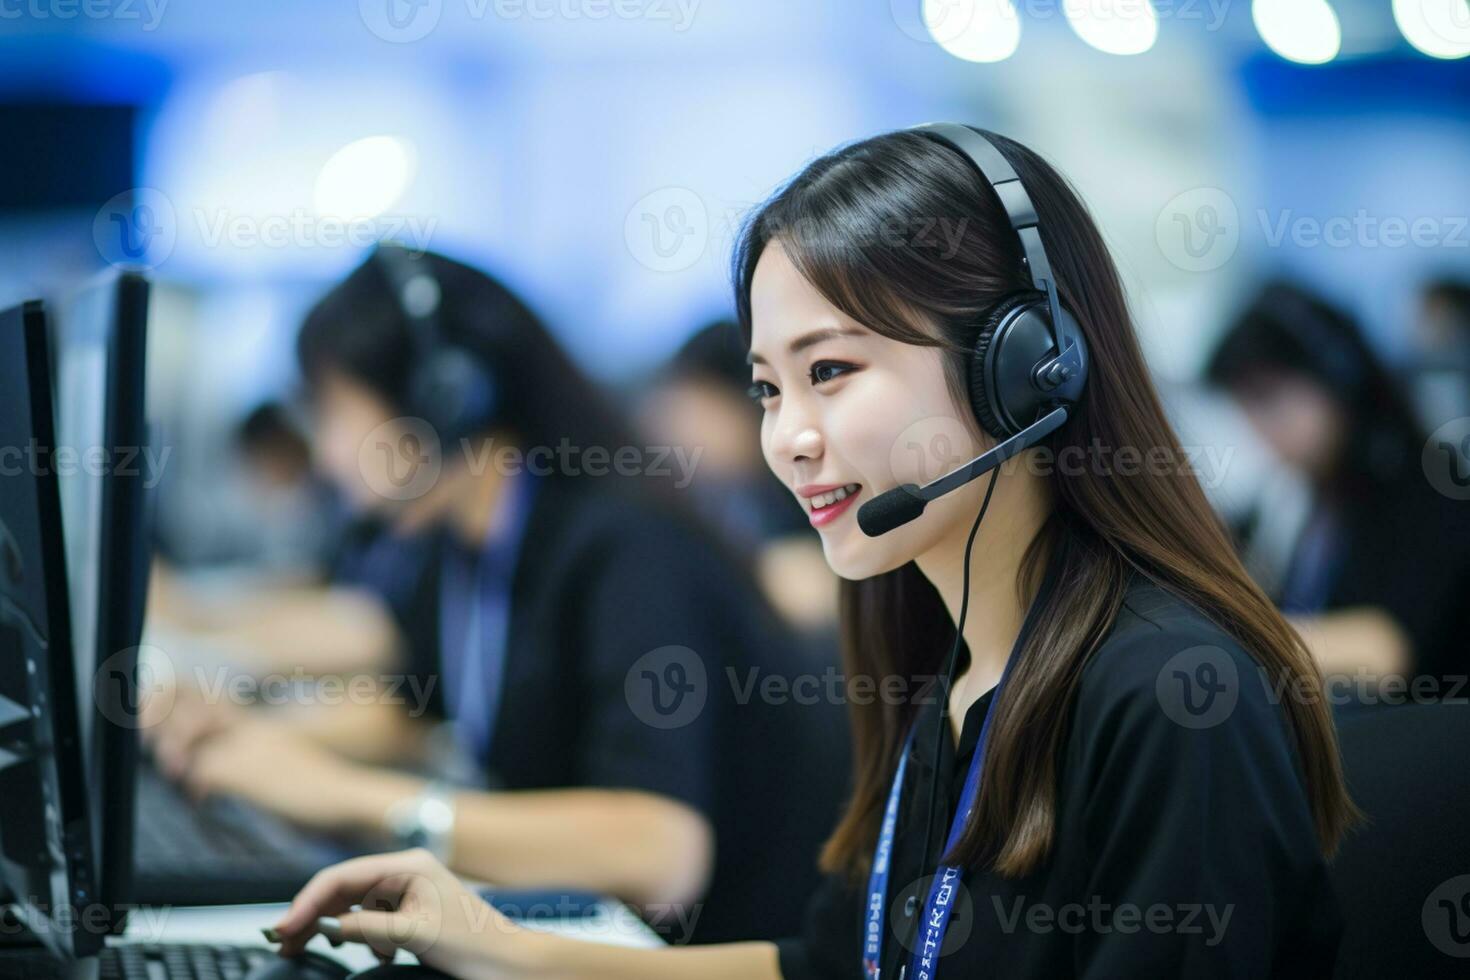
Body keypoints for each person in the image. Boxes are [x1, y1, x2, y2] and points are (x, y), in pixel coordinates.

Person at [264, 126, 1357, 978]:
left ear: (1025, 368)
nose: (787, 436)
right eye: (767, 387)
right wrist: (503, 945)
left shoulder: (1167, 696)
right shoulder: (964, 670)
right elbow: (832, 965)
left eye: (831, 370)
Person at [146, 246, 842, 944]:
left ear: (440, 397)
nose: (325, 456)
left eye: (331, 412)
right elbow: (412, 703)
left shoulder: (624, 549)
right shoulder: (470, 541)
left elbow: (661, 853)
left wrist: (338, 794)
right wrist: (252, 743)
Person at [1206, 281, 1470, 687]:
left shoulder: (1431, 480)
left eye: (1270, 399)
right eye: (1248, 409)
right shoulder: (1306, 493)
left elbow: (1387, 647)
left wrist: (1230, 641)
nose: (1262, 431)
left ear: (1337, 375)